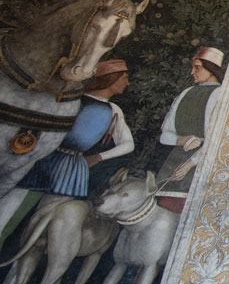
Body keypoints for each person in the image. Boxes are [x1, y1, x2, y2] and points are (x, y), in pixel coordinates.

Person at [0, 58, 132, 241]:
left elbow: (128, 145)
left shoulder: (113, 110)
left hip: (70, 168)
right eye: (124, 77)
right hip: (43, 159)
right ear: (111, 78)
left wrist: (98, 157)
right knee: (11, 211)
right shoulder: (73, 99)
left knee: (44, 225)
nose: (127, 83)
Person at [156, 46, 225, 212]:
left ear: (212, 69)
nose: (192, 72)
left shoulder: (221, 94)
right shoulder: (186, 93)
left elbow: (217, 139)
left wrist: (190, 164)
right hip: (173, 167)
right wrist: (182, 140)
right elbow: (165, 134)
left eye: (198, 68)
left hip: (202, 169)